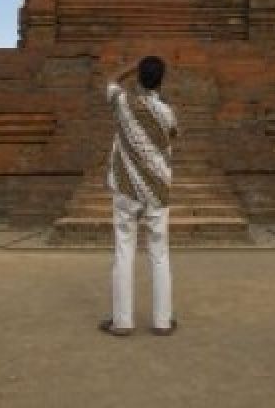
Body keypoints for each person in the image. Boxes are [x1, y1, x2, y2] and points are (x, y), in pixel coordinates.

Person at [98, 55, 179, 337]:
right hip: (157, 187)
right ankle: (162, 321)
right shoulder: (166, 111)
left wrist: (130, 67)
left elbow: (109, 81)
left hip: (126, 185)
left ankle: (122, 322)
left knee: (124, 252)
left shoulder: (123, 102)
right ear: (161, 80)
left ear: (138, 77)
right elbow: (172, 136)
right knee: (159, 254)